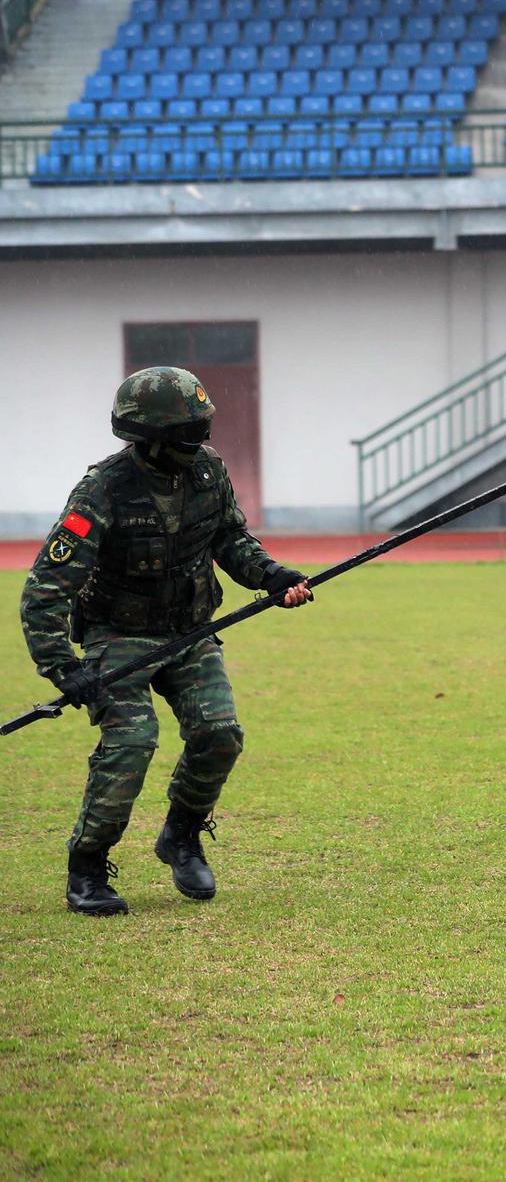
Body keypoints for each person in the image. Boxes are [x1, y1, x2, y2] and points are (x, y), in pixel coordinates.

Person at [20, 367, 313, 917]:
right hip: (119, 636)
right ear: (149, 438)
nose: (201, 442)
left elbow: (229, 536)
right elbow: (46, 587)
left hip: (190, 631)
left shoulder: (208, 471)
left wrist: (270, 575)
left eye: (203, 430)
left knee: (220, 733)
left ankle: (180, 835)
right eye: (189, 434)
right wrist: (62, 666)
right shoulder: (102, 489)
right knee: (132, 744)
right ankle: (87, 865)